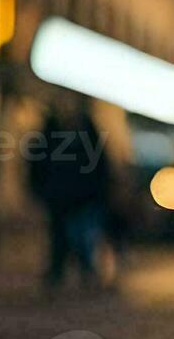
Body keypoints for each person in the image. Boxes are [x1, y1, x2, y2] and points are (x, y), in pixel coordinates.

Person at [29, 105, 112, 287]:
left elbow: (100, 168)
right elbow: (37, 165)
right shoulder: (50, 134)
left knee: (82, 235)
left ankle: (85, 269)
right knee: (60, 234)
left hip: (83, 197)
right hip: (60, 196)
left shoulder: (87, 136)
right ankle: (60, 269)